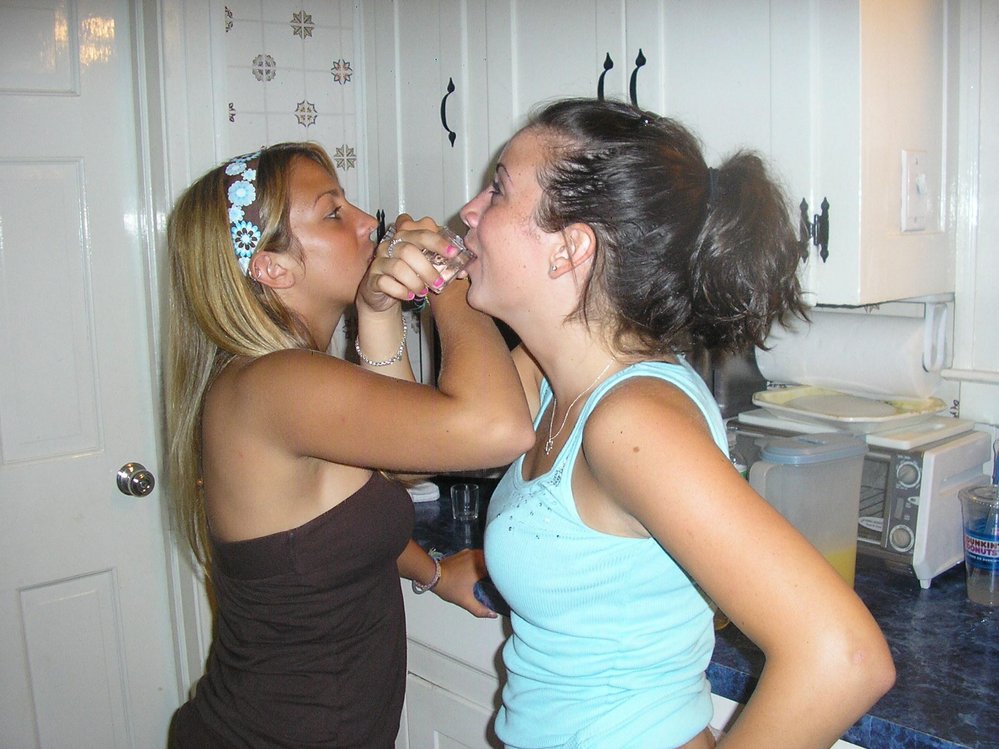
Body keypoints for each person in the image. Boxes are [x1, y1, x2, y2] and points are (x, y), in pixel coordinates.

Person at [457, 99, 896, 749]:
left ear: (569, 249)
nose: (469, 211)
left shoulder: (632, 423)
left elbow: (844, 657)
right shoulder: (554, 380)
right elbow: (433, 441)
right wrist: (401, 298)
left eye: (497, 189)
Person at [164, 141, 534, 748]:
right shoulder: (278, 383)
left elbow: (385, 482)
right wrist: (444, 275)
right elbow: (497, 430)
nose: (368, 222)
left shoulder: (274, 380)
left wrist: (378, 311)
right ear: (272, 268)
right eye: (333, 212)